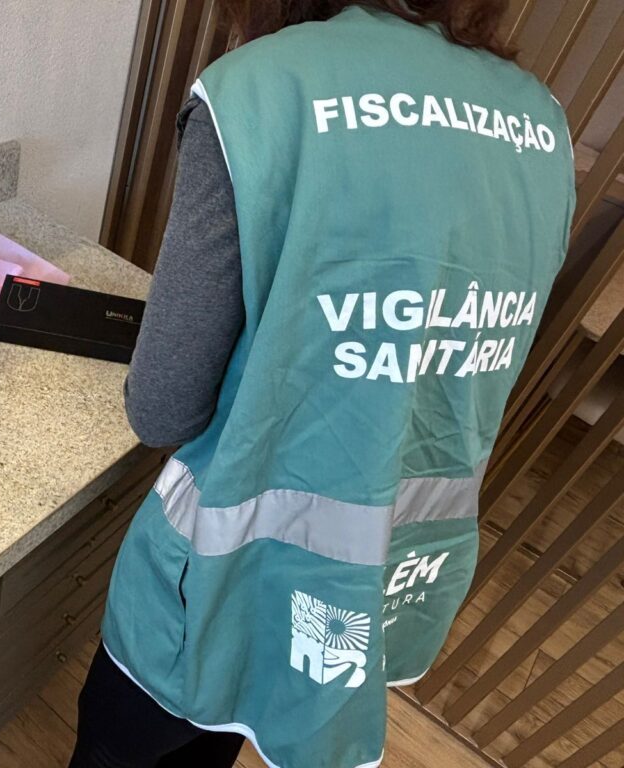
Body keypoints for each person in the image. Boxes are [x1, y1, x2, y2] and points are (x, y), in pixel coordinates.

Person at [70, 1, 575, 767]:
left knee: (136, 739)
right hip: (390, 568)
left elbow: (163, 409)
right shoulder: (541, 125)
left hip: (224, 570)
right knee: (232, 729)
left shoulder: (263, 92)